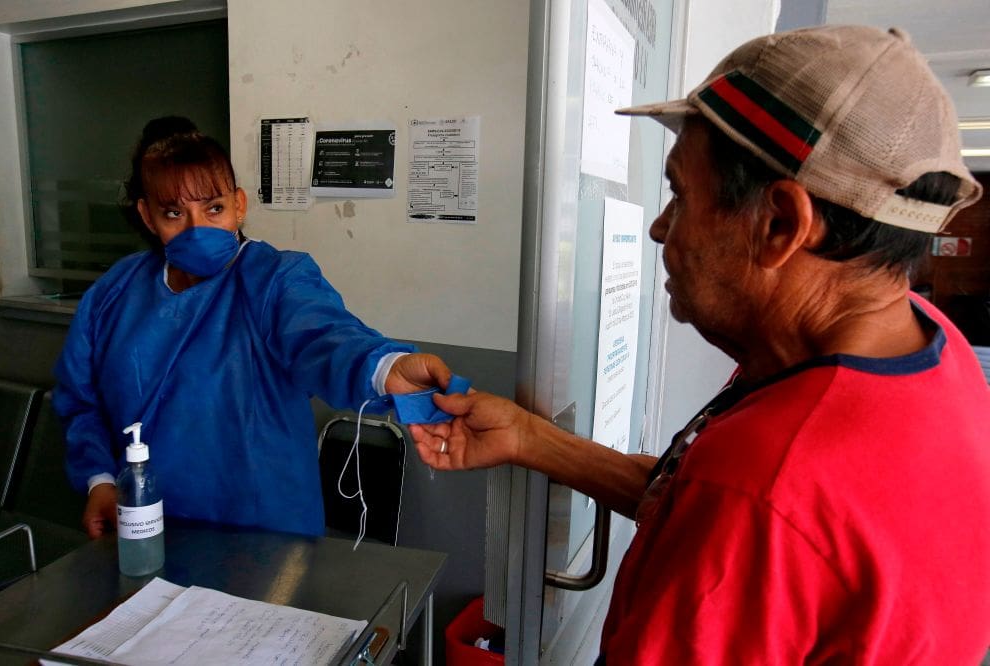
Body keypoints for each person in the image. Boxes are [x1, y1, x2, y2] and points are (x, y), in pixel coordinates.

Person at [411, 25, 990, 663]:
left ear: (780, 224)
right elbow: (705, 505)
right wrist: (529, 437)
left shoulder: (770, 478)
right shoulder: (928, 349)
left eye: (681, 195)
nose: (660, 228)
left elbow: (748, 506)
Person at [54, 117, 451, 539]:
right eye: (174, 212)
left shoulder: (274, 279)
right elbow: (81, 398)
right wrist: (100, 480)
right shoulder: (115, 292)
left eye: (214, 208)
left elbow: (324, 336)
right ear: (148, 217)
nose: (197, 229)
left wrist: (386, 368)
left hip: (263, 530)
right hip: (144, 525)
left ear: (239, 205)